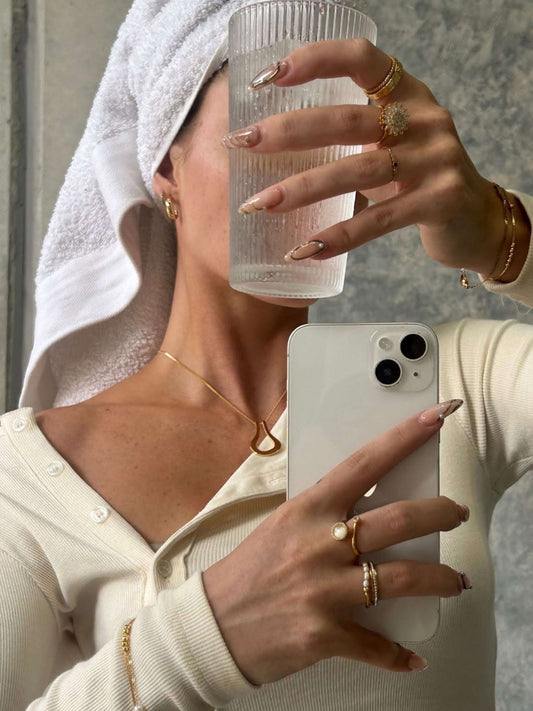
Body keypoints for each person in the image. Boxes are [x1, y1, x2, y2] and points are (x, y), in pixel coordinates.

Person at [1, 1, 532, 709]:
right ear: (166, 167)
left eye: (332, 134)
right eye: (267, 124)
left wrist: (501, 234)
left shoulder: (461, 383)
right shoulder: (33, 470)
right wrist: (208, 637)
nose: (306, 168)